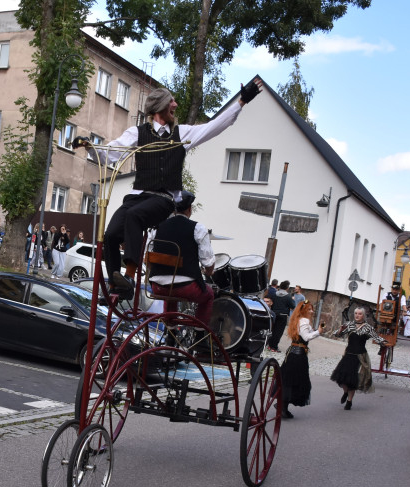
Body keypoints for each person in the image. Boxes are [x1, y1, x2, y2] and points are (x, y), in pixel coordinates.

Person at [72, 79, 262, 296]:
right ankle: (117, 285)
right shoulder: (137, 133)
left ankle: (129, 277)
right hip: (138, 195)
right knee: (112, 233)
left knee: (134, 216)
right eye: (171, 101)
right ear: (159, 106)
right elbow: (110, 153)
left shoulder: (182, 134)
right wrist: (89, 146)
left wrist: (241, 102)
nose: (175, 105)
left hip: (164, 198)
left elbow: (214, 127)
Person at [147, 190, 215, 327]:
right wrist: (208, 272)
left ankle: (170, 332)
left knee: (170, 290)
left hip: (157, 286)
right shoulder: (198, 228)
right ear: (190, 209)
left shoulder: (156, 228)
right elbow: (208, 262)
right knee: (209, 295)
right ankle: (199, 333)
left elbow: (147, 258)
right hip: (186, 287)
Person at [330, 307, 388, 410]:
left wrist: (384, 342)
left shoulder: (367, 328)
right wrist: (340, 329)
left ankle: (349, 401)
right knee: (341, 378)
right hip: (348, 354)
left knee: (353, 380)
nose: (357, 315)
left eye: (359, 314)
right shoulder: (349, 325)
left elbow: (376, 337)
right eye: (356, 313)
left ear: (363, 315)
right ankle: (345, 392)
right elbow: (336, 335)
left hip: (360, 357)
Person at [280, 300, 324, 418]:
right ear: (303, 310)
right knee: (297, 382)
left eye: (312, 309)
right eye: (309, 309)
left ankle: (283, 407)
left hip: (292, 353)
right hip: (298, 355)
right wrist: (318, 332)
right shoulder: (304, 321)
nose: (312, 311)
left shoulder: (296, 320)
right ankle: (283, 407)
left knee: (289, 381)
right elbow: (306, 337)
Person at [267, 280, 295, 352]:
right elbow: (293, 306)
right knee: (278, 332)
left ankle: (269, 345)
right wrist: (293, 300)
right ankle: (274, 347)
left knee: (272, 329)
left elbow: (271, 303)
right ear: (287, 288)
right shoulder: (288, 296)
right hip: (283, 315)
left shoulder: (274, 294)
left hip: (274, 314)